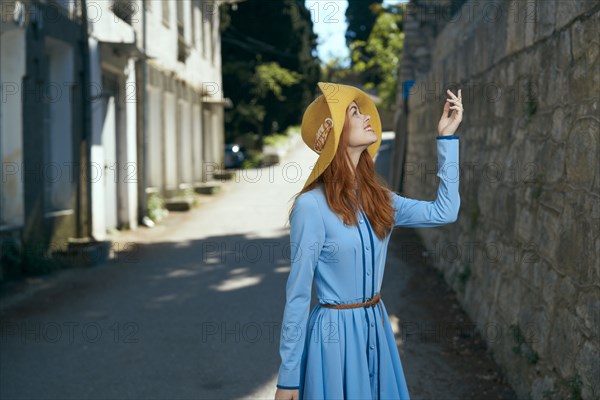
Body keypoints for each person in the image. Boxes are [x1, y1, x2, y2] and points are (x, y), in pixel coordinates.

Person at [274, 82, 463, 400]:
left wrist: (446, 139)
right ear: (334, 132)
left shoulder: (381, 199)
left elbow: (445, 211)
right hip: (332, 341)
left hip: (376, 325)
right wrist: (289, 377)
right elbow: (297, 294)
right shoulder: (310, 207)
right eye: (354, 111)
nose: (366, 117)